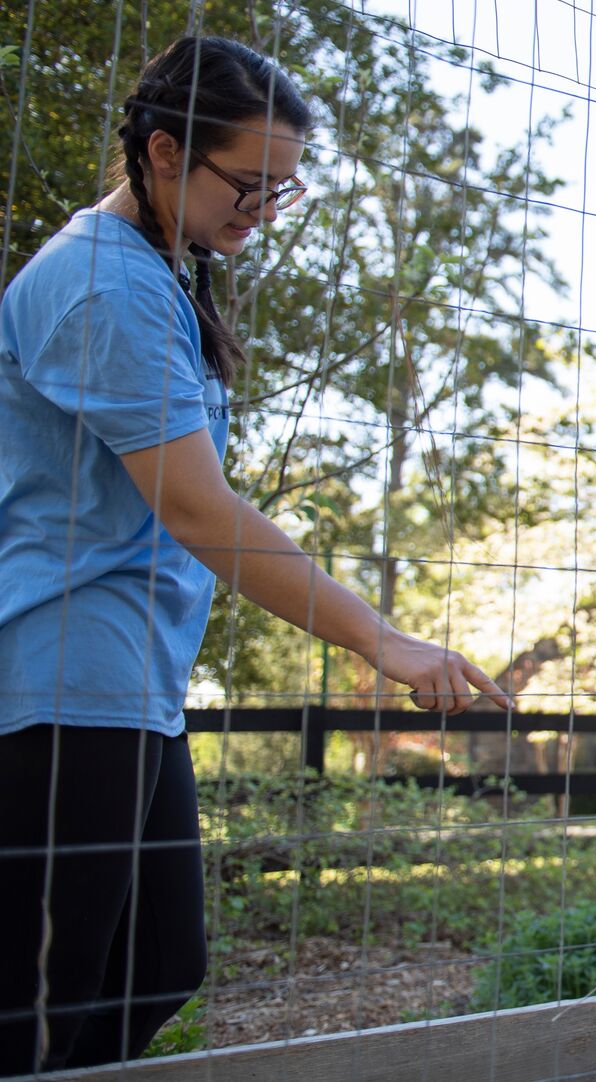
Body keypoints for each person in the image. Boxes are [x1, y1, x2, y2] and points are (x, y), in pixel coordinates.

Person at [0, 37, 510, 1071]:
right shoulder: (106, 286)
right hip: (61, 672)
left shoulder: (155, 272)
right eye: (249, 185)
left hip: (129, 676)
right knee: (40, 996)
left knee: (157, 961)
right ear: (161, 150)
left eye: (284, 191)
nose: (264, 211)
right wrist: (384, 640)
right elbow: (199, 510)